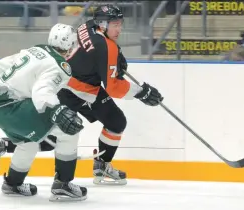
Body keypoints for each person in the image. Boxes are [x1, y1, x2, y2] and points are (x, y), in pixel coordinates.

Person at [0, 23, 87, 202]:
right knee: (69, 132)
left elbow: (0, 64)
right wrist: (57, 110)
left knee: (28, 143)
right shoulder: (61, 66)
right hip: (15, 110)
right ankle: (63, 185)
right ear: (70, 46)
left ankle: (13, 184)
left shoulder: (35, 50)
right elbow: (42, 93)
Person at [57, 4, 164, 185]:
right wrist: (141, 93)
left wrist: (109, 62)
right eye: (115, 24)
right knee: (55, 136)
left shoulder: (88, 25)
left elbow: (91, 55)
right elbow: (113, 88)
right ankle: (4, 145)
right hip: (79, 90)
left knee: (114, 121)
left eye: (120, 24)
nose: (119, 29)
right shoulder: (106, 47)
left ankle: (102, 166)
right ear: (103, 24)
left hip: (64, 81)